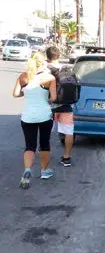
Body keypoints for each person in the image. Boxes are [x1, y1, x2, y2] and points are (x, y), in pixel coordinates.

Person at [12, 52, 57, 188]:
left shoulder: (23, 77)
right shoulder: (49, 78)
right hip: (44, 115)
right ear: (43, 63)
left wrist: (26, 92)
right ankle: (44, 171)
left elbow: (15, 94)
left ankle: (27, 170)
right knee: (44, 143)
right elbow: (53, 98)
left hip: (27, 116)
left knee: (29, 146)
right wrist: (45, 97)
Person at [46, 46, 74, 167]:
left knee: (45, 130)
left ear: (48, 57)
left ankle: (45, 154)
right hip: (66, 105)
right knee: (68, 131)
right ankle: (67, 158)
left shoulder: (46, 69)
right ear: (59, 56)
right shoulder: (66, 69)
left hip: (49, 105)